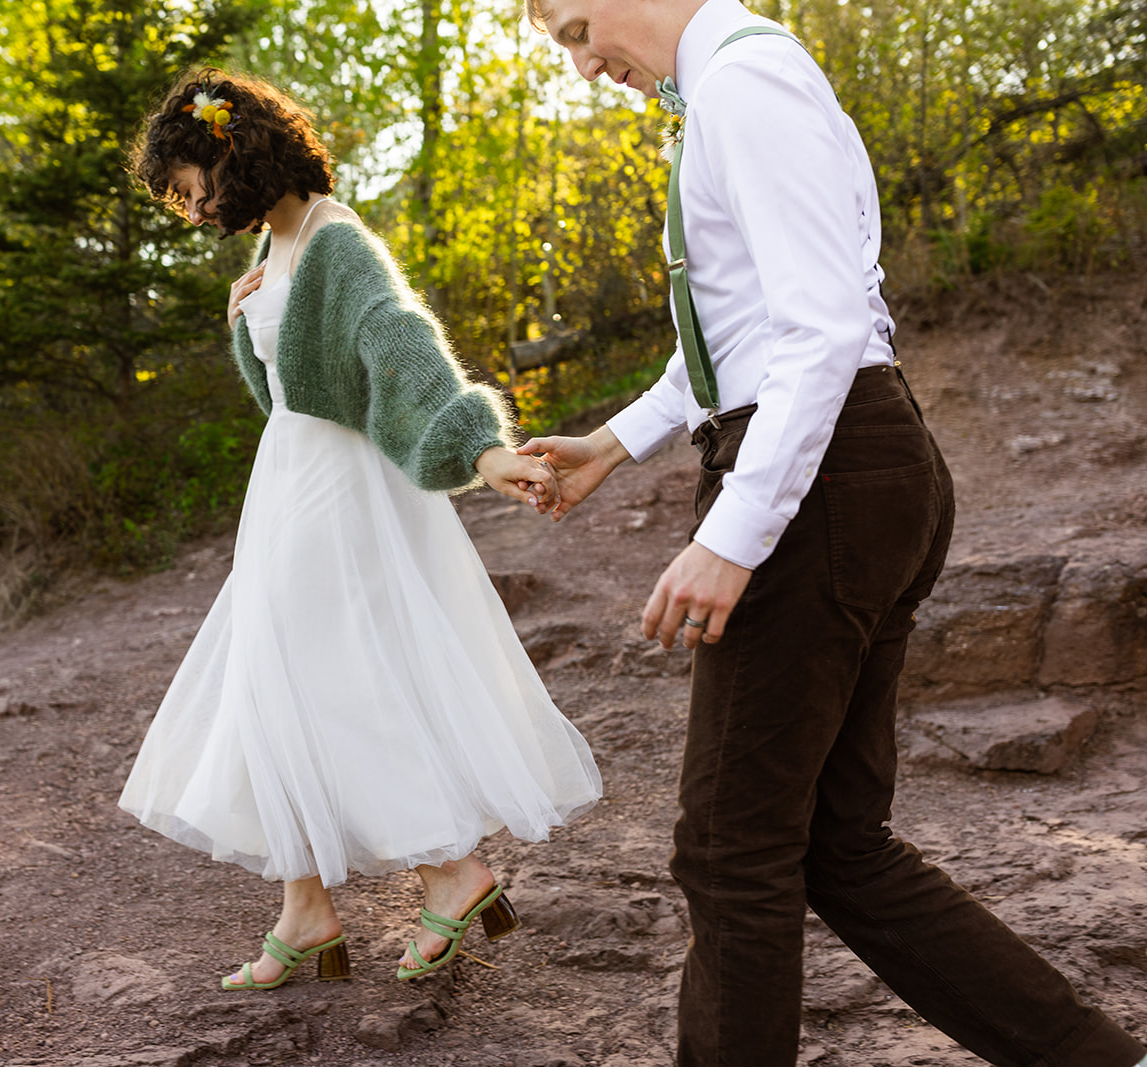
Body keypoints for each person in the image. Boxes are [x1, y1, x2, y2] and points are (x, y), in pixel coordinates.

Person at [520, 0, 1147, 1064]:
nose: (583, 66)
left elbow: (819, 326)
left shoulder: (742, 87)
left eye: (579, 30)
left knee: (729, 847)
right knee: (835, 846)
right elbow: (745, 329)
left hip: (822, 479)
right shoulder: (734, 85)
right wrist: (617, 442)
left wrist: (737, 529)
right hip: (857, 466)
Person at [118, 69, 603, 991]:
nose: (193, 208)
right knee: (276, 685)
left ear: (234, 150)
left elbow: (396, 341)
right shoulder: (278, 245)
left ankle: (451, 872)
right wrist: (242, 322)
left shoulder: (337, 243)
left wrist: (480, 447)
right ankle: (308, 908)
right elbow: (296, 389)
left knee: (334, 679)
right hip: (290, 484)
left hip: (334, 495)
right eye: (181, 199)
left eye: (194, 186)